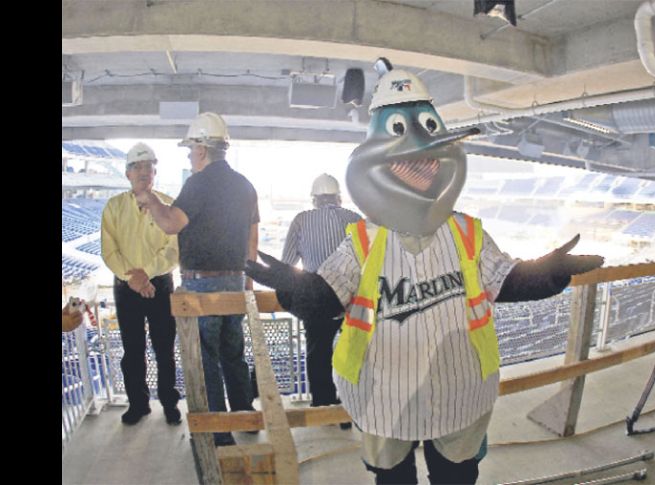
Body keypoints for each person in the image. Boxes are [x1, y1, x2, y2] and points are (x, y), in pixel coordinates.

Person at [246, 59, 604, 483]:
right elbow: (327, 296)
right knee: (394, 480)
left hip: (459, 394)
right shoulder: (363, 239)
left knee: (455, 477)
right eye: (405, 159)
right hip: (384, 398)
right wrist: (295, 286)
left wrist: (549, 271)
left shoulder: (467, 232)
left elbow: (504, 279)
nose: (421, 164)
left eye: (429, 157)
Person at [136, 113, 259, 447]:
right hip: (235, 282)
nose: (190, 157)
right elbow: (252, 236)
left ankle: (219, 432)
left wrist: (151, 201)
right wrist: (247, 279)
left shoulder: (198, 183)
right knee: (234, 352)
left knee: (207, 358)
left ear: (203, 149)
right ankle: (246, 416)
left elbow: (172, 223)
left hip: (201, 285)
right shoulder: (245, 185)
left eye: (191, 150)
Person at [101, 142, 182, 426]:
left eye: (149, 167)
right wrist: (133, 278)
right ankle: (138, 404)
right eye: (137, 167)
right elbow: (109, 250)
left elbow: (173, 250)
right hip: (127, 288)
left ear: (155, 172)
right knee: (132, 349)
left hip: (159, 284)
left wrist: (144, 274)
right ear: (127, 174)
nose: (144, 172)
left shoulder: (168, 205)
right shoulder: (114, 208)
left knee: (164, 348)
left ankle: (170, 403)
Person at [281, 174, 361, 426]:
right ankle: (350, 409)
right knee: (354, 351)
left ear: (314, 199)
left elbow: (286, 265)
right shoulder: (355, 220)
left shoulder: (302, 220)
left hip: (317, 298)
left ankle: (323, 408)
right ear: (338, 198)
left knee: (318, 353)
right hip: (354, 299)